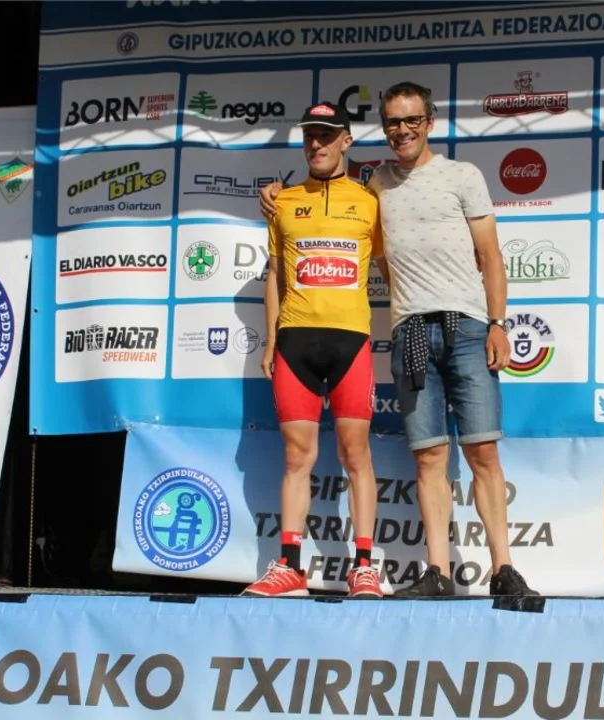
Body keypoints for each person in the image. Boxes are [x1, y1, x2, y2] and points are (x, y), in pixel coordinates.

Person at [260, 82, 537, 598]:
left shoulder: (462, 175)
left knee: (482, 453)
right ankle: (438, 573)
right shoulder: (377, 186)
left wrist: (498, 322)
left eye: (412, 120)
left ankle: (504, 568)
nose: (402, 130)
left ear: (429, 123)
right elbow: (319, 216)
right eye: (392, 122)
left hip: (467, 326)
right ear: (382, 128)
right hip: (409, 328)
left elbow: (491, 255)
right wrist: (274, 193)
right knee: (429, 458)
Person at [242, 102, 384, 599]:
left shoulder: (370, 201)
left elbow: (392, 263)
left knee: (356, 454)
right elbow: (275, 274)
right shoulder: (281, 201)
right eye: (309, 136)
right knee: (296, 456)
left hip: (351, 341)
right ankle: (289, 567)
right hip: (296, 341)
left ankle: (363, 568)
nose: (317, 144)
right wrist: (271, 338)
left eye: (326, 135)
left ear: (347, 140)